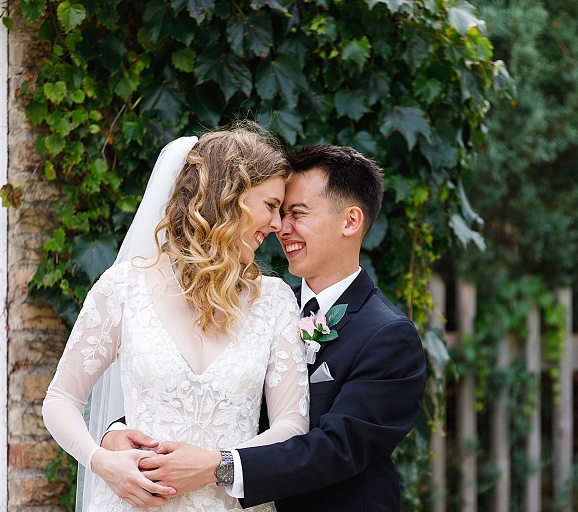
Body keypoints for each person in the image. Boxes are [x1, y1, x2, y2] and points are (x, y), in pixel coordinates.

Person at [105, 144, 428, 511]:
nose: (280, 228)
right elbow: (204, 389)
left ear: (350, 221)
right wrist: (117, 433)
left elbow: (335, 449)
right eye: (277, 211)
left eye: (297, 213)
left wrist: (220, 467)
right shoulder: (259, 306)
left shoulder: (389, 337)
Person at [42, 126, 310, 512]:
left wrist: (218, 466)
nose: (276, 225)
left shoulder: (274, 301)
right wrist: (104, 462)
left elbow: (292, 426)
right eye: (271, 205)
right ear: (229, 194)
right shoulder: (123, 287)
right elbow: (60, 399)